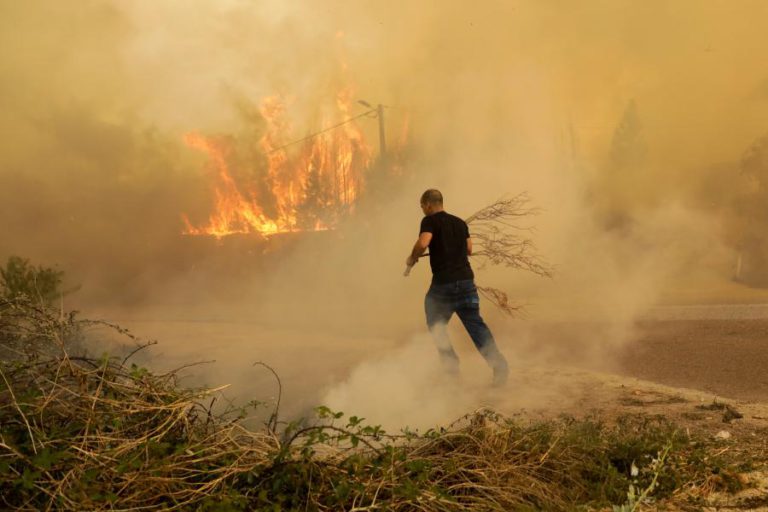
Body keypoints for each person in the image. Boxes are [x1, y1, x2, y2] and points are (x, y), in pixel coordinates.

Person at [405, 189, 509, 386]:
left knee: (435, 323)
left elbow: (423, 242)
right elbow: (469, 249)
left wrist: (413, 257)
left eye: (422, 207)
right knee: (477, 328)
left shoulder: (429, 221)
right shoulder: (460, 223)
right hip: (467, 283)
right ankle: (499, 366)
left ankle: (450, 366)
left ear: (428, 204)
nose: (422, 211)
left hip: (443, 286)